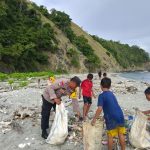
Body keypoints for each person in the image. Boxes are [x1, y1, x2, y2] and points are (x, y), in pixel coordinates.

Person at [91, 77, 126, 150]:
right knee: (121, 134)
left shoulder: (101, 96)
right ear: (110, 86)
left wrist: (94, 119)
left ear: (101, 86)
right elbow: (112, 106)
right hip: (120, 115)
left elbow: (100, 108)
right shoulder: (111, 94)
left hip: (111, 118)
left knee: (110, 136)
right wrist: (104, 116)